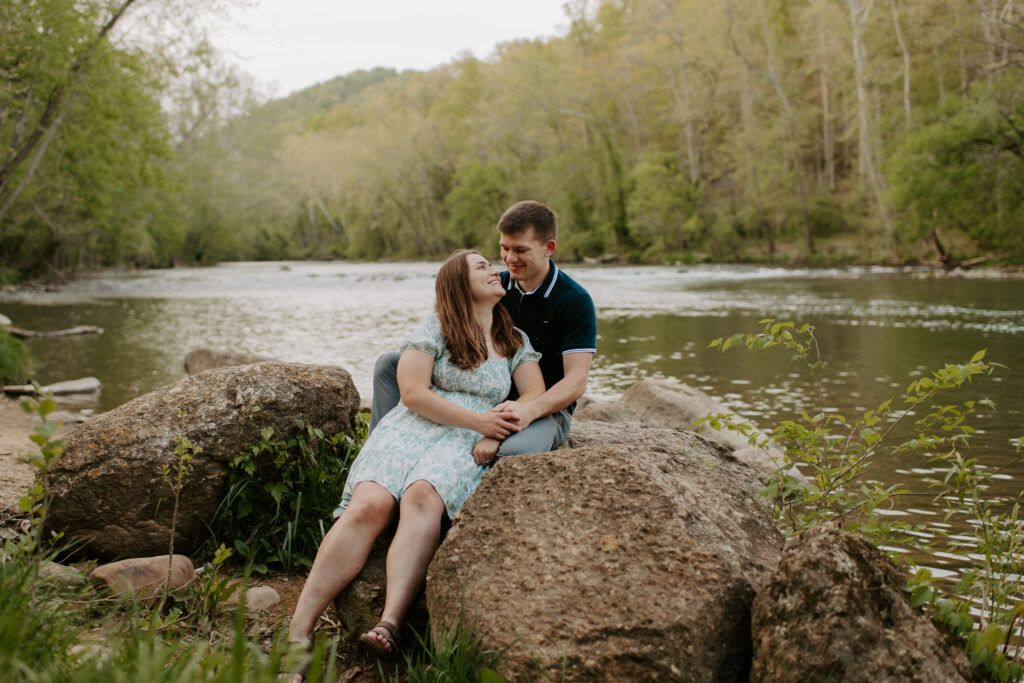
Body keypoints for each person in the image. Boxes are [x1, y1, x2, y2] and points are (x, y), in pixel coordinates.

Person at [281, 249, 544, 680]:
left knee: (423, 496)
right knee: (371, 505)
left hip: (463, 438)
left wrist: (498, 425)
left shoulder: (513, 339)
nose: (494, 270)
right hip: (414, 426)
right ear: (459, 285)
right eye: (481, 267)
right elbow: (413, 392)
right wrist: (478, 418)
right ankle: (298, 633)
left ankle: (388, 623)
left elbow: (534, 394)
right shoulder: (437, 327)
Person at [370, 200, 596, 461]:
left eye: (520, 250)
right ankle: (377, 455)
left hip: (542, 406)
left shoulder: (574, 300)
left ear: (549, 247)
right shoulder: (494, 285)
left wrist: (528, 412)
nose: (510, 258)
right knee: (390, 364)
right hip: (484, 391)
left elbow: (576, 380)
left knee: (512, 453)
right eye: (504, 248)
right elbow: (448, 322)